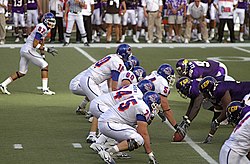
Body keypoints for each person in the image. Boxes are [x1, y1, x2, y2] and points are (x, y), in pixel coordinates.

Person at [0, 13, 57, 95]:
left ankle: (3, 84)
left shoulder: (45, 28)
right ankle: (45, 89)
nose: (52, 23)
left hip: (25, 49)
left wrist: (43, 54)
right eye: (50, 21)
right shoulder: (42, 27)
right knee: (45, 65)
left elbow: (41, 42)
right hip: (29, 50)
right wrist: (47, 49)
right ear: (45, 20)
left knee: (21, 72)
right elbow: (35, 44)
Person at [96, 91, 161, 164]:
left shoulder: (138, 101)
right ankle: (108, 152)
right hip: (110, 123)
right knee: (138, 139)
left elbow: (140, 125)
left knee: (134, 130)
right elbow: (143, 133)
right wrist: (150, 154)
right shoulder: (143, 109)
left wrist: (151, 117)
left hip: (108, 121)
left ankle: (104, 146)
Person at [69, 44, 131, 115]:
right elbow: (114, 87)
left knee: (100, 96)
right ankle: (93, 116)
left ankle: (86, 110)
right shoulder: (118, 63)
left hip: (88, 79)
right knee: (101, 103)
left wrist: (110, 91)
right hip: (89, 81)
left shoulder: (112, 56)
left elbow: (110, 78)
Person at [87, 74, 150, 143]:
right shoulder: (138, 96)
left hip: (100, 102)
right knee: (115, 124)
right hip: (102, 105)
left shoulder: (132, 86)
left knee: (114, 123)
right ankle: (101, 143)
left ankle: (98, 140)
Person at [198, 76, 250, 143]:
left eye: (204, 93)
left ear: (209, 91)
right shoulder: (215, 94)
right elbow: (217, 115)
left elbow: (226, 109)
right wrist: (210, 135)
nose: (204, 96)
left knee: (243, 116)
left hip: (248, 94)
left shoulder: (220, 90)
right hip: (245, 98)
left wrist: (217, 120)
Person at [145, 63, 178, 130]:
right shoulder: (163, 83)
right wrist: (176, 126)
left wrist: (159, 111)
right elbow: (166, 108)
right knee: (151, 114)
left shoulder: (154, 74)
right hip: (140, 101)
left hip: (135, 94)